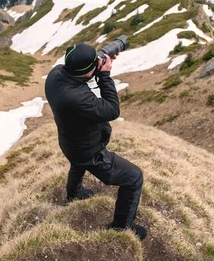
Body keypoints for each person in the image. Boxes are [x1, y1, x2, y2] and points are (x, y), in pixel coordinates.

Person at [45, 43, 147, 240]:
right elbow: (112, 110)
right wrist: (104, 76)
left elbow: (81, 75)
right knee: (134, 177)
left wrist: (93, 69)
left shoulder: (55, 74)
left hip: (69, 142)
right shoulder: (76, 98)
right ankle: (122, 228)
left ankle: (74, 194)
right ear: (86, 71)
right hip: (89, 152)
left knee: (76, 163)